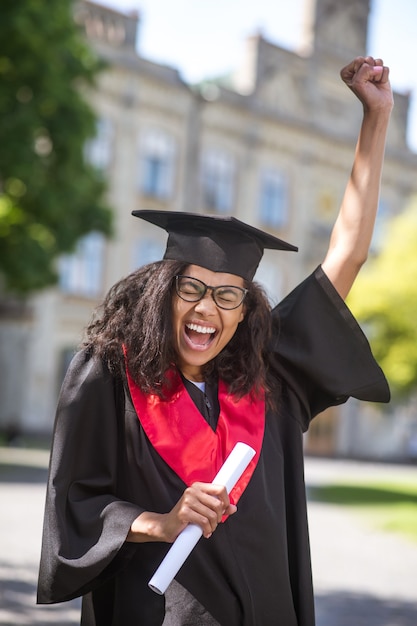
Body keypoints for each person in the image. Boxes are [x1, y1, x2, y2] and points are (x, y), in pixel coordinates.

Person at [37, 56, 393, 626]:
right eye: (192, 289)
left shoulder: (268, 376)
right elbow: (75, 501)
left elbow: (347, 255)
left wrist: (376, 120)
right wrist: (162, 521)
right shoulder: (108, 373)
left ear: (244, 310)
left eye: (229, 296)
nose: (208, 308)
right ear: (161, 292)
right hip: (157, 612)